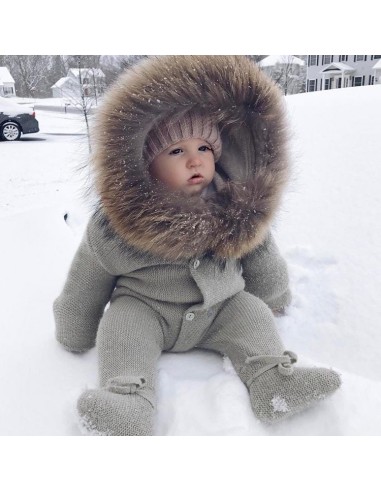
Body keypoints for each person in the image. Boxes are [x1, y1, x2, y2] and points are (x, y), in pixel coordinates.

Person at [53, 55, 341, 435]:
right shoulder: (119, 221)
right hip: (147, 310)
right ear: (144, 164)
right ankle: (128, 401)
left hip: (220, 309)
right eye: (176, 151)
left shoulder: (236, 204)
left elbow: (260, 252)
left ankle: (272, 381)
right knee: (121, 326)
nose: (195, 160)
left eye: (204, 148)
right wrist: (76, 326)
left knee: (250, 312)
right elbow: (88, 274)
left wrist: (274, 295)